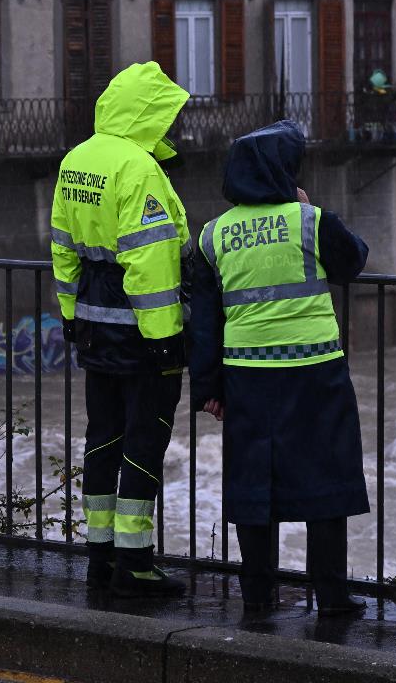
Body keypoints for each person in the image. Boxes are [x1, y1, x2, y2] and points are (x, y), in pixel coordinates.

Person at [189, 120, 370, 616]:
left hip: (247, 375)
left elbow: (203, 322)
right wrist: (309, 207)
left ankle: (257, 596)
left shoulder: (213, 236)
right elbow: (352, 262)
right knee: (326, 484)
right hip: (315, 372)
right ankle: (332, 597)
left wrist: (208, 386)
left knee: (254, 484)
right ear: (283, 173)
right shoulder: (310, 221)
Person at [50, 62, 191, 598]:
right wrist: (165, 340)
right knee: (144, 442)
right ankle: (135, 562)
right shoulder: (139, 169)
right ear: (147, 113)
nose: (172, 126)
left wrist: (70, 316)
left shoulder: (77, 159)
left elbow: (63, 248)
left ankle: (99, 556)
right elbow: (150, 263)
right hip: (140, 332)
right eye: (166, 114)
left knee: (102, 440)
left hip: (91, 326)